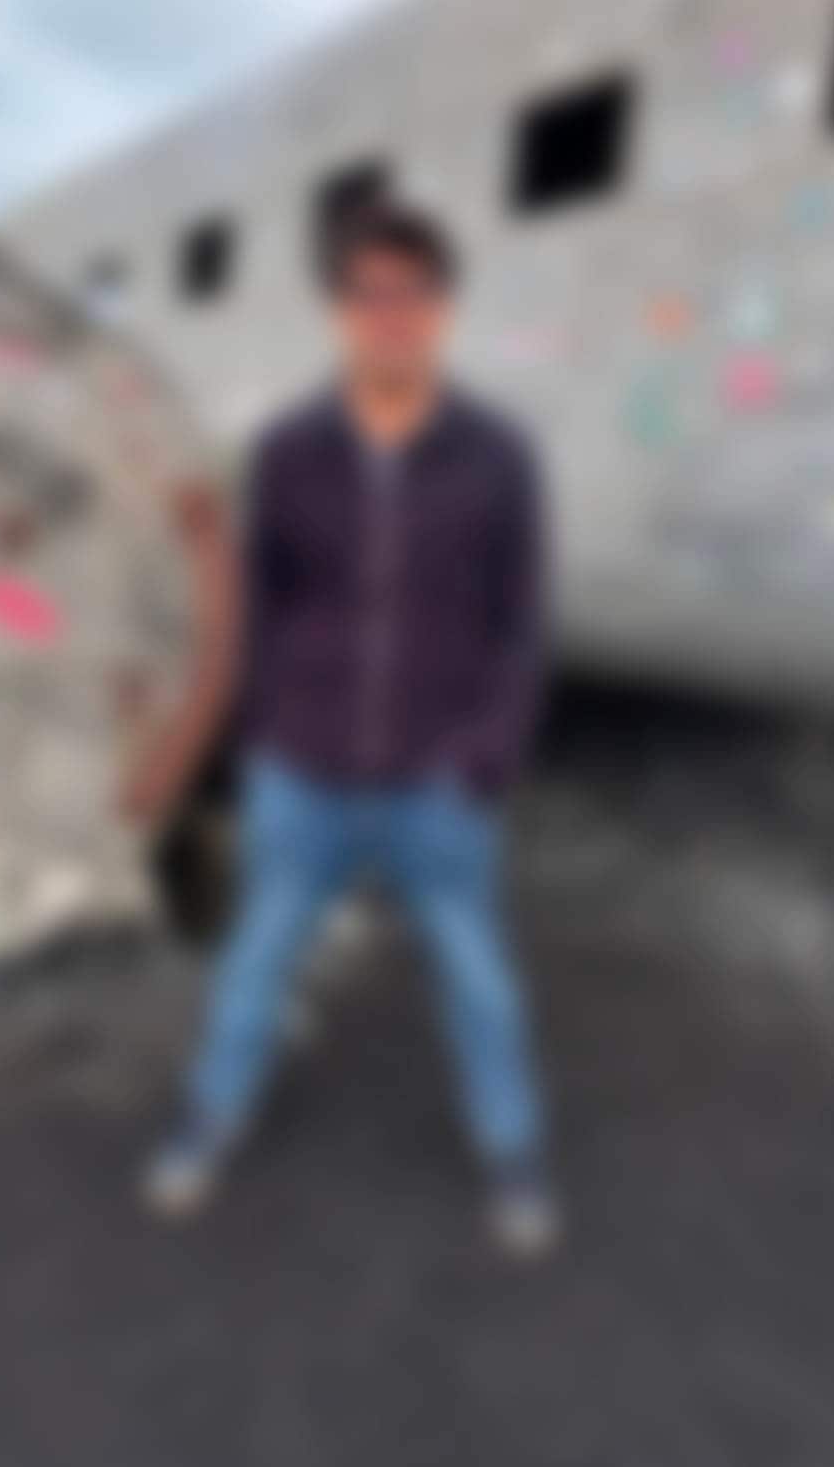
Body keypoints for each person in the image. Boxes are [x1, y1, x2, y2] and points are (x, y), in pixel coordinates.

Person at [137, 203, 559, 1258]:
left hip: (438, 784)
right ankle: (210, 1117)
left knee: (478, 977)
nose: (391, 315)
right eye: (369, 295)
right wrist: (264, 737)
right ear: (338, 313)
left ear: (443, 311)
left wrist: (486, 756)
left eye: (413, 294)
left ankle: (511, 1148)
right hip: (305, 779)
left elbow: (521, 622)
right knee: (255, 962)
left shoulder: (498, 455)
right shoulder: (288, 452)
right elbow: (261, 606)